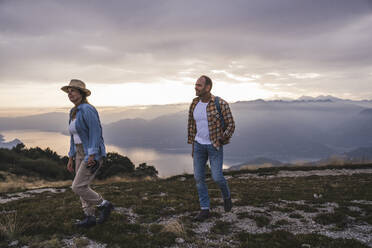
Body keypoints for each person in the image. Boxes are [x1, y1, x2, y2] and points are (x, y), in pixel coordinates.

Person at [61, 79, 113, 228]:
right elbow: (73, 137)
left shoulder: (88, 109)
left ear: (81, 93)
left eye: (73, 90)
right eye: (68, 91)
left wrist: (92, 155)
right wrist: (71, 157)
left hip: (91, 152)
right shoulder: (73, 112)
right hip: (78, 152)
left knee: (77, 187)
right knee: (82, 186)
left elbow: (96, 133)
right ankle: (89, 216)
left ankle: (104, 204)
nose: (70, 93)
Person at [187, 75, 235, 221]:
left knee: (217, 177)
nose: (196, 87)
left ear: (208, 88)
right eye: (195, 85)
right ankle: (205, 209)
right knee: (198, 178)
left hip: (214, 145)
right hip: (199, 145)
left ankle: (227, 196)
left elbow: (231, 125)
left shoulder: (220, 103)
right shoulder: (194, 103)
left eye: (199, 85)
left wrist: (222, 138)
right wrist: (193, 146)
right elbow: (192, 126)